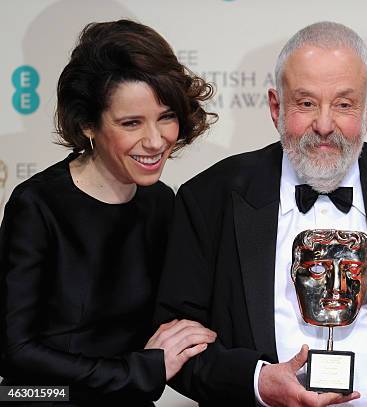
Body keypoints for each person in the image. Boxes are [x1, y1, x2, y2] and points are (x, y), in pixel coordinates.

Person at [155, 21, 367, 406]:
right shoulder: (209, 197)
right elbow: (176, 344)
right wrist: (257, 382)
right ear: (275, 107)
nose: (325, 125)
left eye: (344, 104)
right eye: (307, 103)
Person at [0, 20, 218, 405]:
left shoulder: (163, 203)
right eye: (131, 123)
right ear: (88, 124)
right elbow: (14, 352)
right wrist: (140, 370)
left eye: (166, 116)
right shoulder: (37, 206)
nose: (155, 141)